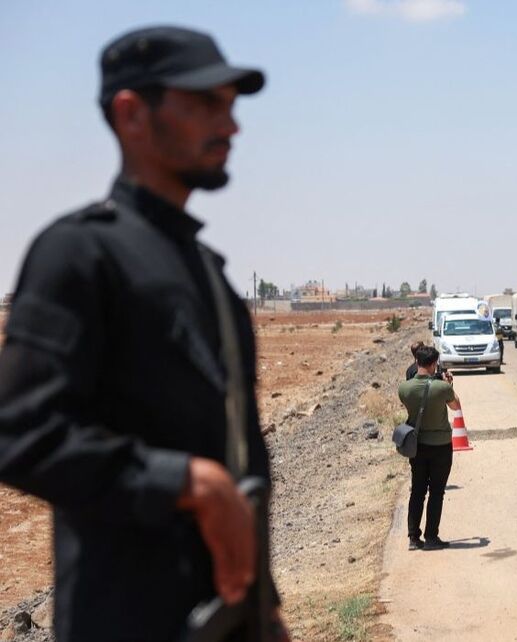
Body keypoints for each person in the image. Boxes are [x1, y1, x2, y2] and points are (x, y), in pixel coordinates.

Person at [0, 26, 287, 641]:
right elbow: (21, 434)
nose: (231, 125)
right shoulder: (78, 254)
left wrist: (267, 607)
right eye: (205, 104)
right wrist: (184, 482)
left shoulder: (207, 271)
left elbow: (241, 455)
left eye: (232, 106)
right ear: (132, 113)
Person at [398, 344, 461, 551]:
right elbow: (455, 405)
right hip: (441, 446)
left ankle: (413, 538)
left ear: (417, 362)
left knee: (417, 490)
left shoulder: (404, 389)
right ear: (434, 364)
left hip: (417, 446)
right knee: (436, 492)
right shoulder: (442, 387)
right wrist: (448, 384)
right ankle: (431, 537)